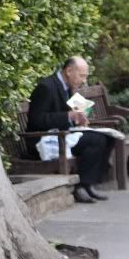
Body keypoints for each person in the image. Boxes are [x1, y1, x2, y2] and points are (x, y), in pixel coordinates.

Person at [27, 56, 114, 204]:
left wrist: (80, 117)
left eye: (86, 76)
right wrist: (68, 115)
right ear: (68, 71)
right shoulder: (46, 87)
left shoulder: (69, 88)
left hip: (63, 135)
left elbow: (77, 112)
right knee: (95, 140)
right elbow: (37, 120)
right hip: (45, 139)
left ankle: (89, 184)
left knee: (108, 138)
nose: (84, 80)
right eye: (82, 76)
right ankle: (81, 186)